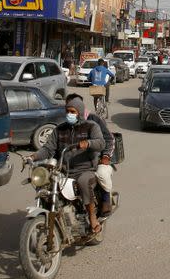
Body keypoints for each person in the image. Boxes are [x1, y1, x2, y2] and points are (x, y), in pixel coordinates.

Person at [25, 97, 105, 232]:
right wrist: (33, 156)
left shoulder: (91, 126)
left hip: (85, 169)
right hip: (64, 169)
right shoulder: (59, 129)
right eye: (67, 111)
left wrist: (89, 143)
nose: (69, 114)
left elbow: (101, 143)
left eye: (72, 111)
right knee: (46, 184)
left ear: (79, 112)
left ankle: (92, 217)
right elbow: (48, 149)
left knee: (83, 182)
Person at [66, 93, 115, 214]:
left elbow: (109, 139)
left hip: (96, 160)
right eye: (67, 108)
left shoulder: (94, 120)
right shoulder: (65, 124)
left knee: (102, 173)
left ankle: (106, 200)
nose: (69, 113)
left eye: (73, 109)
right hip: (74, 162)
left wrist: (106, 156)